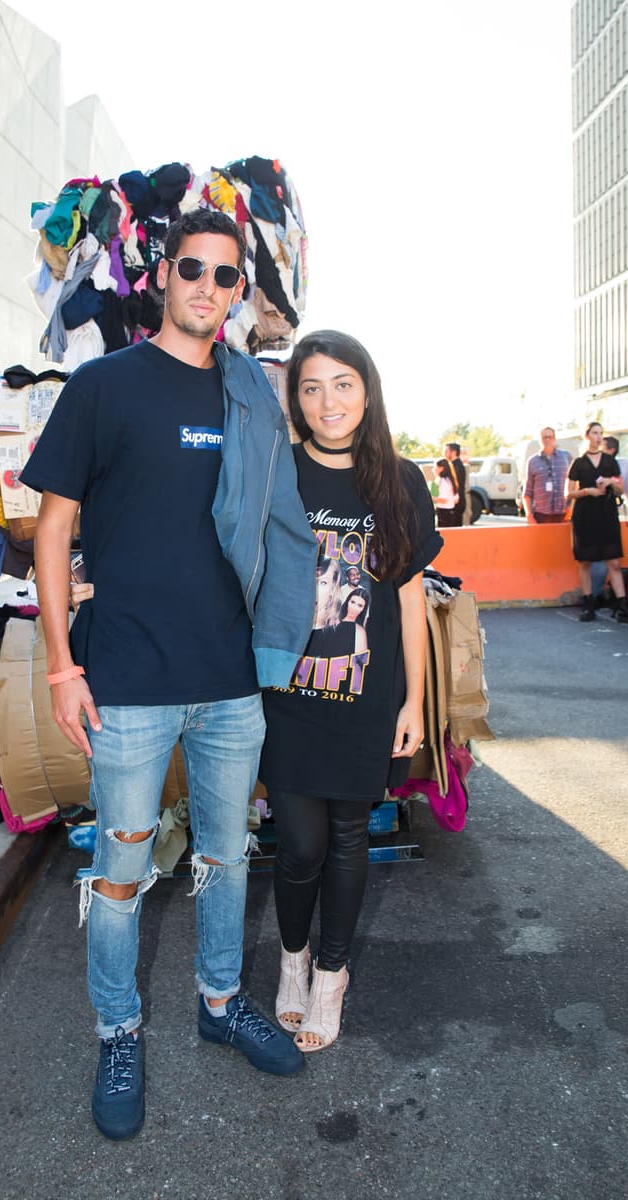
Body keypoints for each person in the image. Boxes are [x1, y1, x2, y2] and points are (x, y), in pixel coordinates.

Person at [20, 208, 316, 1141]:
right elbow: (54, 530)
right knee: (120, 869)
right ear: (162, 274)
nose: (208, 287)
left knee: (229, 859)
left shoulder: (248, 396)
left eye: (226, 277)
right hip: (128, 679)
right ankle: (118, 1029)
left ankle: (220, 1001)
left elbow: (277, 526)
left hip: (230, 680)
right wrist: (64, 666)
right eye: (193, 268)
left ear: (238, 294)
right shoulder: (103, 387)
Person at [259, 330, 442, 1053]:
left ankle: (330, 975)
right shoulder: (279, 473)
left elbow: (407, 600)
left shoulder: (400, 480)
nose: (327, 400)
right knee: (297, 843)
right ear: (296, 401)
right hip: (288, 696)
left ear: (366, 391)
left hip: (368, 696)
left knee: (345, 839)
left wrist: (413, 702)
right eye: (311, 387)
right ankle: (292, 959)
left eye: (342, 383)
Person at [566, 422, 627, 622]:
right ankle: (588, 604)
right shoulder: (578, 463)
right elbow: (569, 493)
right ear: (587, 436)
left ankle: (622, 605)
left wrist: (611, 482)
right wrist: (587, 491)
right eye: (595, 433)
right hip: (584, 514)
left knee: (613, 562)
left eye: (601, 433)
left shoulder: (610, 461)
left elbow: (620, 489)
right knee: (585, 562)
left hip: (606, 513)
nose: (598, 437)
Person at [523, 427, 570, 524]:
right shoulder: (532, 462)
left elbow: (574, 484)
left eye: (550, 437)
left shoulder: (566, 457)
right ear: (540, 440)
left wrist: (571, 508)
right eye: (544, 437)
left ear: (554, 439)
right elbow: (527, 492)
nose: (547, 440)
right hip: (541, 515)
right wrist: (529, 515)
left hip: (563, 514)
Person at [443, 442, 466, 527]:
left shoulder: (456, 467)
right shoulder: (453, 465)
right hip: (454, 502)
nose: (444, 454)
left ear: (454, 452)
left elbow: (456, 486)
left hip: (456, 503)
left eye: (446, 451)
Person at [432, 458, 458, 528]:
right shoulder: (449, 480)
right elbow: (456, 499)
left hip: (444, 512)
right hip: (447, 512)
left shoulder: (443, 481)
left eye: (435, 467)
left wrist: (430, 498)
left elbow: (443, 499)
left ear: (441, 468)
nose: (433, 469)